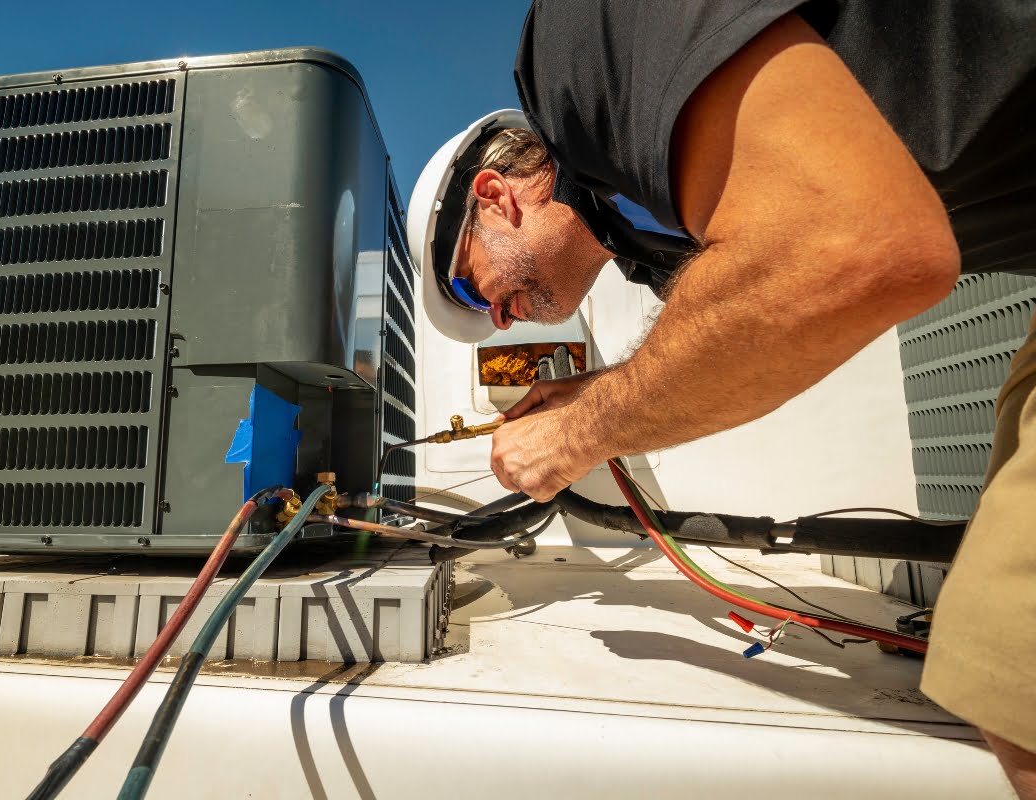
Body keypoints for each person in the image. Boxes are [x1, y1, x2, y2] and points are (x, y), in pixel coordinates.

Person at [406, 2, 1035, 796]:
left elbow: (856, 250)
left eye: (472, 283)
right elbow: (783, 303)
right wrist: (600, 394)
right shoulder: (655, 242)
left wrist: (575, 436)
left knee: (1011, 674)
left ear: (496, 196)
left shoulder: (580, 45)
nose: (495, 315)